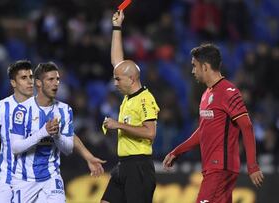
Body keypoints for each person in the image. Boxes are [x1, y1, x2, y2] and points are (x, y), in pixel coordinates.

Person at [0, 60, 105, 203]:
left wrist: (87, 156)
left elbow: (68, 135)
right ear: (13, 83)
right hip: (10, 179)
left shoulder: (49, 106)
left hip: (46, 177)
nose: (29, 82)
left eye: (31, 77)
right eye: (23, 78)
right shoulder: (3, 107)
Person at [163, 43, 264, 203]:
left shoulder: (228, 92)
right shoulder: (206, 94)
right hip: (212, 168)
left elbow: (246, 126)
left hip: (221, 168)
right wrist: (177, 151)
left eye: (194, 66)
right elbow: (202, 131)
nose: (192, 71)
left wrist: (252, 166)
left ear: (205, 67)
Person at [10, 62, 100, 203]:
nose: (56, 83)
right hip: (24, 180)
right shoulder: (22, 110)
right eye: (50, 80)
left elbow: (68, 149)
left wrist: (57, 135)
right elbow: (15, 148)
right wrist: (42, 132)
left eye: (57, 79)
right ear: (38, 83)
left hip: (51, 179)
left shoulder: (64, 110)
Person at [101, 10, 160, 203]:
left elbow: (150, 132)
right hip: (124, 165)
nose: (115, 83)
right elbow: (117, 62)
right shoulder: (128, 95)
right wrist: (117, 27)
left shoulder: (145, 99)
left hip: (139, 167)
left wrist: (119, 125)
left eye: (118, 79)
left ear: (132, 79)